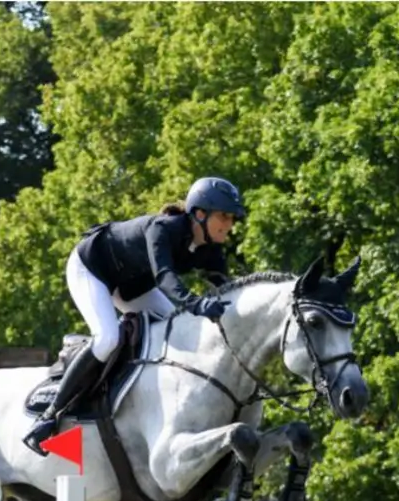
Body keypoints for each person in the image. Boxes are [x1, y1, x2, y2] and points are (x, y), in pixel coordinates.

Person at [23, 176, 246, 456]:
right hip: (92, 270)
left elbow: (229, 289)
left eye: (232, 218)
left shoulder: (210, 250)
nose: (229, 224)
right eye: (223, 216)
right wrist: (196, 304)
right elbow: (165, 278)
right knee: (107, 339)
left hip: (133, 286)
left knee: (177, 333)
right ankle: (50, 416)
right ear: (200, 214)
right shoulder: (163, 229)